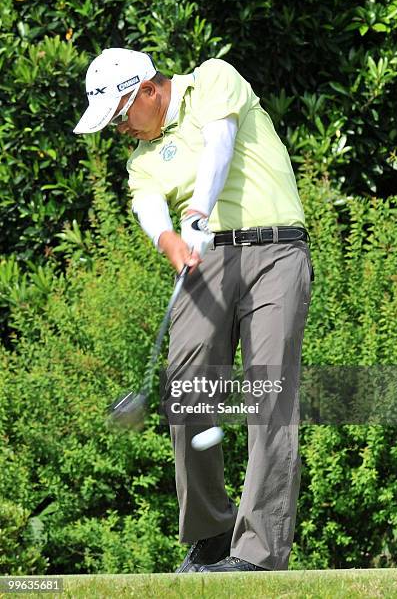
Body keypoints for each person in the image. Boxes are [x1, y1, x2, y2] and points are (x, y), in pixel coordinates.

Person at [74, 47, 314, 573]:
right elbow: (148, 203)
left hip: (274, 251)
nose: (120, 129)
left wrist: (200, 209)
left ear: (147, 91)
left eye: (120, 116)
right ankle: (211, 533)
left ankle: (258, 554)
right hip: (202, 264)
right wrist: (169, 241)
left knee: (268, 395)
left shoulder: (212, 78)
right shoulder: (142, 157)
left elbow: (221, 143)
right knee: (186, 387)